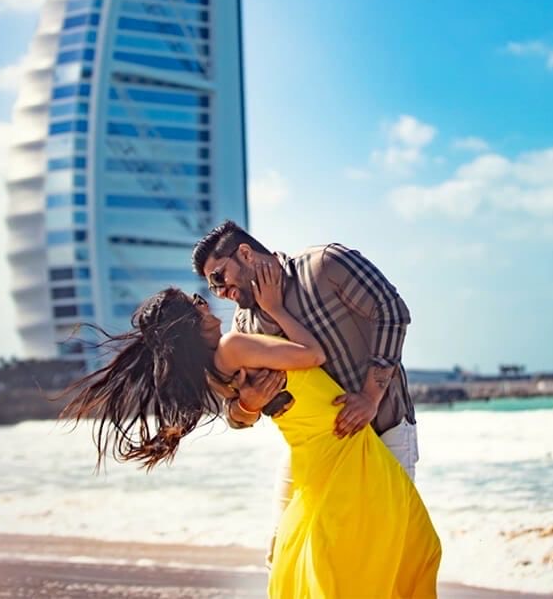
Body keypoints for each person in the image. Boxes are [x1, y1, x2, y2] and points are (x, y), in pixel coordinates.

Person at [62, 269, 441, 599]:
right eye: (195, 301)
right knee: (389, 556)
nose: (206, 303)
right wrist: (275, 308)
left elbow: (240, 412)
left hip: (322, 451)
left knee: (344, 563)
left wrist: (247, 404)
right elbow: (313, 356)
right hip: (338, 447)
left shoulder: (214, 368)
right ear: (187, 323)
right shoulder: (233, 347)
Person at [191, 220, 421, 562]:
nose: (220, 293)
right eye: (212, 288)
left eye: (219, 278)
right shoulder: (245, 325)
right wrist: (249, 406)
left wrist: (371, 397)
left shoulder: (324, 265)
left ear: (244, 253)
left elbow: (391, 312)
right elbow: (235, 414)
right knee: (283, 554)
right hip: (315, 455)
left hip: (384, 431)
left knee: (382, 556)